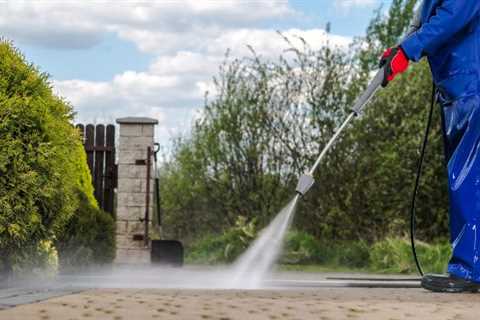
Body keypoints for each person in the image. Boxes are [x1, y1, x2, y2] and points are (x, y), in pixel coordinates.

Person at [380, 0, 480, 293]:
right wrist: (401, 48)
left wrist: (408, 51)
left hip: (471, 87)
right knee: (466, 176)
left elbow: (451, 17)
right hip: (458, 87)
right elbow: (425, 21)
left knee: (468, 177)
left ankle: (470, 269)